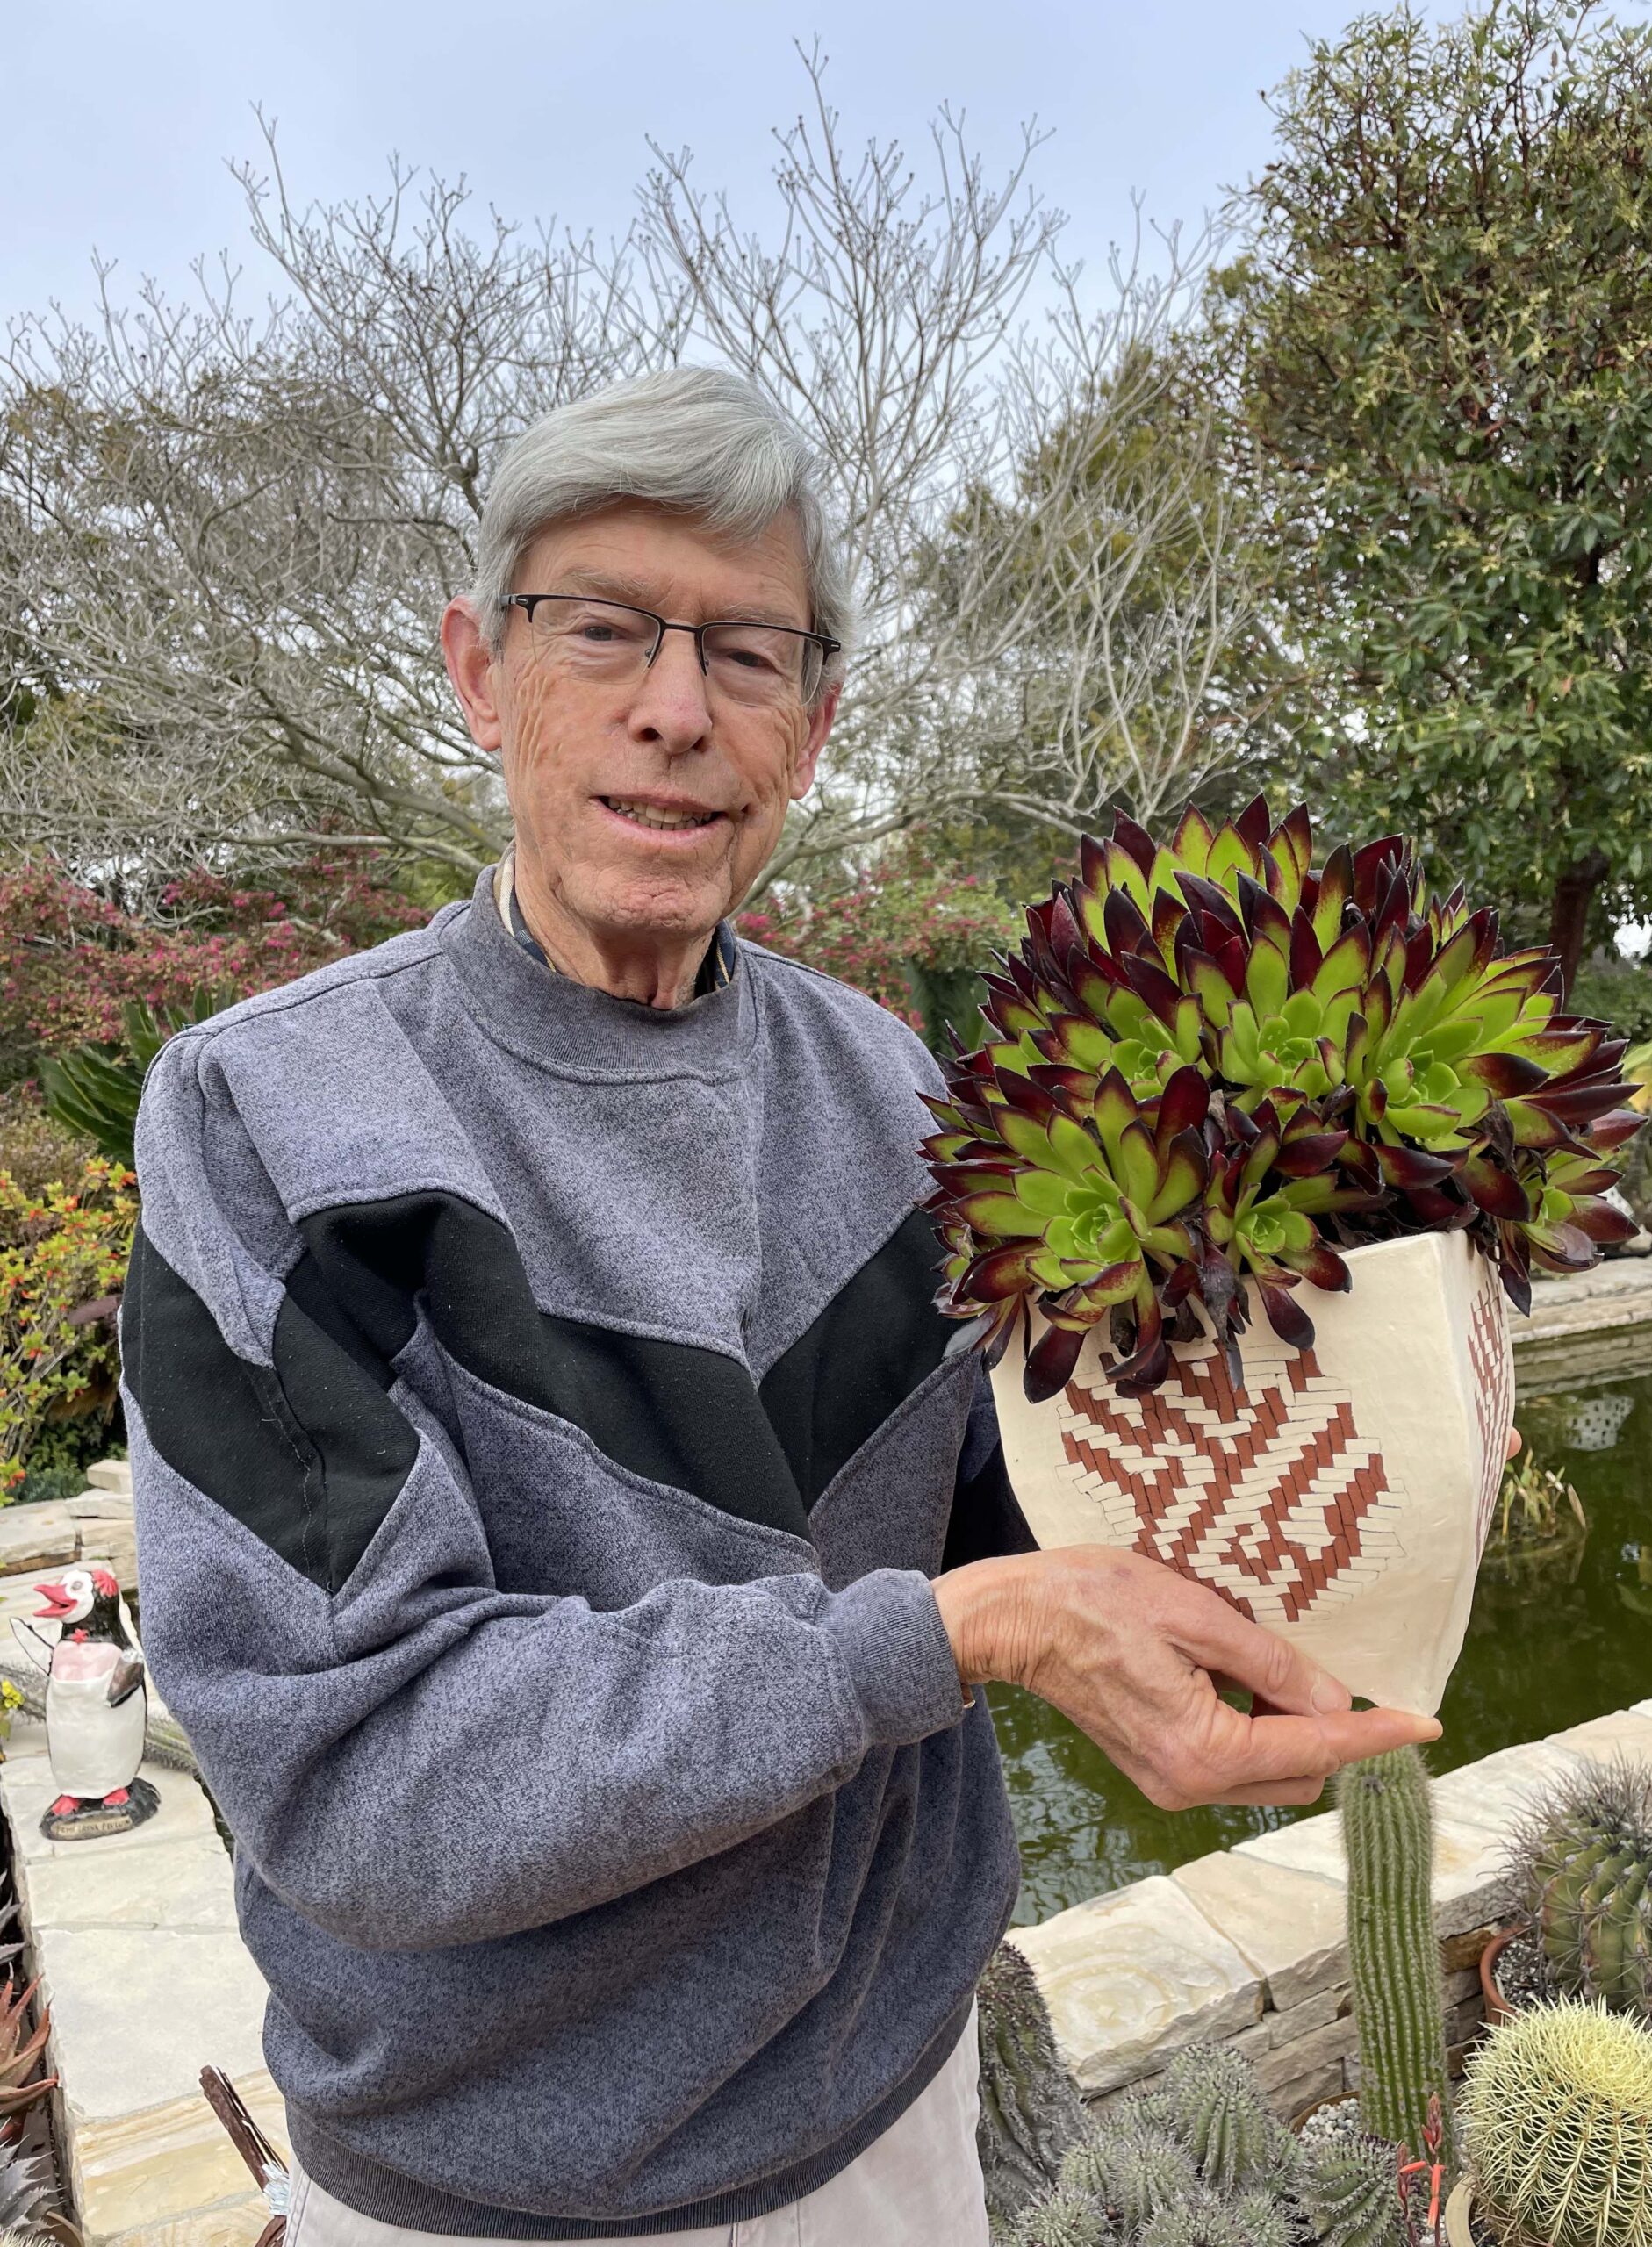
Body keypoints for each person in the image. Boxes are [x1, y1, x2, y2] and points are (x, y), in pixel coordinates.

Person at [124, 369, 1439, 2247]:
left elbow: (1020, 1509)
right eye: (604, 629)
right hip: (492, 2190)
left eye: (747, 650)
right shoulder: (273, 1115)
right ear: (480, 672)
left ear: (813, 726)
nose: (675, 706)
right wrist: (950, 1634)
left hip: (894, 2122)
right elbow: (360, 1769)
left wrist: (1332, 1369)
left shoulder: (893, 1090)